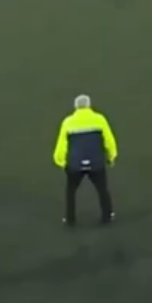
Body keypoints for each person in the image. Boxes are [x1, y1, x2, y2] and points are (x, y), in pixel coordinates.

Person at [53, 94, 117, 226]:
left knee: (71, 191)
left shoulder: (68, 122)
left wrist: (61, 162)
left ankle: (70, 219)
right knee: (102, 189)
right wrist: (111, 157)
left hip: (75, 165)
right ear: (89, 105)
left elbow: (61, 145)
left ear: (75, 107)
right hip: (96, 163)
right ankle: (108, 216)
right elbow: (109, 141)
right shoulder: (99, 119)